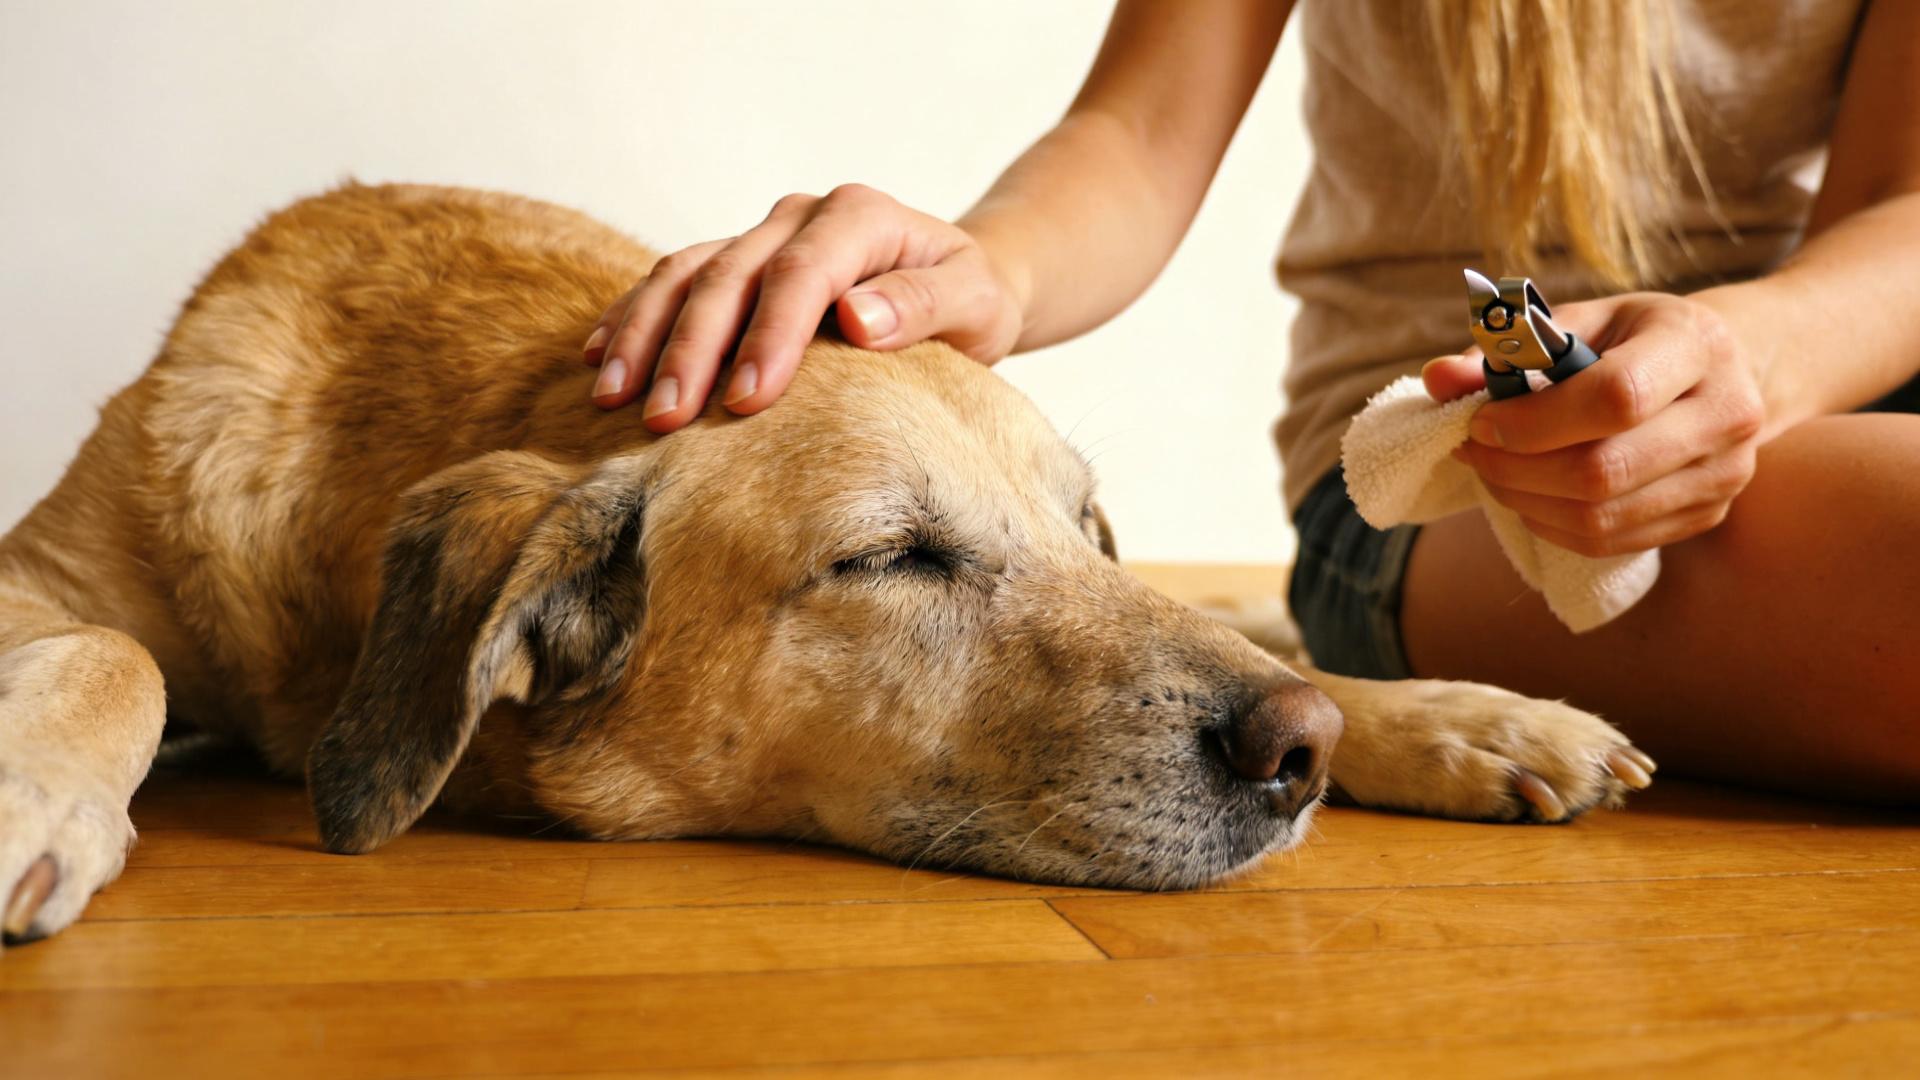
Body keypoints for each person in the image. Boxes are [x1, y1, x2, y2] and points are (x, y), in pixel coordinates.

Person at [580, 1, 1919, 801]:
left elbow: (1890, 212)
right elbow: (1139, 135)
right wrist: (992, 268)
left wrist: (1749, 354)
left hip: (1819, 368)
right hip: (1457, 475)